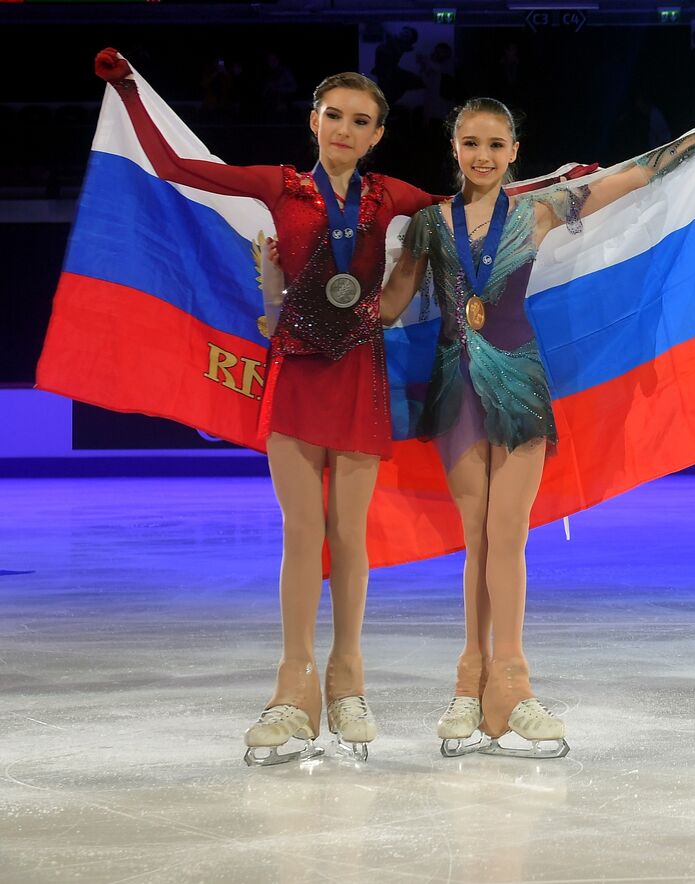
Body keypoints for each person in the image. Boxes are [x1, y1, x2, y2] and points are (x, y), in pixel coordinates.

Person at [93, 48, 445, 766]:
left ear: (378, 134)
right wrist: (131, 90)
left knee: (350, 535)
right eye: (335, 116)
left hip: (358, 379)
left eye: (361, 121)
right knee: (301, 534)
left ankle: (348, 680)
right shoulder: (279, 189)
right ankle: (294, 687)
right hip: (296, 378)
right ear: (313, 119)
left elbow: (481, 198)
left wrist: (575, 180)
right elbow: (179, 170)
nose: (345, 129)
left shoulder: (392, 197)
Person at [378, 99, 695, 758]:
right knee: (478, 540)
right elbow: (385, 310)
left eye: (495, 144)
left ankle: (513, 686)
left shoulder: (540, 212)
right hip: (455, 390)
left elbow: (635, 176)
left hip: (519, 386)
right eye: (471, 144)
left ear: (514, 150)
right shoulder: (427, 227)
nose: (483, 156)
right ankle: (471, 683)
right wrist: (298, 297)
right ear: (454, 147)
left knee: (506, 536)